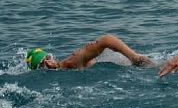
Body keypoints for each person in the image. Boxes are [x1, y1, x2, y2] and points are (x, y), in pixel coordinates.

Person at [25, 34, 153, 71]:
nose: (47, 64)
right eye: (43, 65)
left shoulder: (71, 62)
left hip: (138, 65)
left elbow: (107, 39)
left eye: (47, 59)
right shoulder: (67, 67)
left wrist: (134, 58)